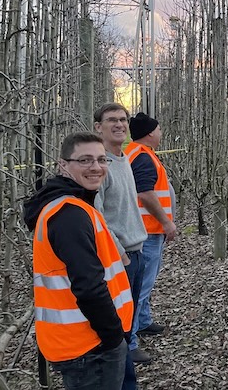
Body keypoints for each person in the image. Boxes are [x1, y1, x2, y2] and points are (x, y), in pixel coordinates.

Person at [23, 132, 133, 390]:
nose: (95, 167)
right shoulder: (69, 215)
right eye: (84, 160)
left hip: (84, 341)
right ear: (63, 165)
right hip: (89, 345)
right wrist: (113, 336)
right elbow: (88, 286)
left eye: (101, 160)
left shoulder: (70, 204)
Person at [93, 103, 151, 371]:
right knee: (116, 326)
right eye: (111, 120)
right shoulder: (98, 165)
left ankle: (126, 367)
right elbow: (97, 215)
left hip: (135, 252)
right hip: (119, 258)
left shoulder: (123, 159)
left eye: (123, 120)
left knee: (127, 322)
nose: (119, 125)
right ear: (98, 127)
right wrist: (121, 254)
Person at [125, 112, 177, 344]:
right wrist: (166, 222)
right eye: (158, 129)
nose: (161, 133)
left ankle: (143, 321)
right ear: (149, 133)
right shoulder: (143, 157)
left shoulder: (137, 154)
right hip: (147, 231)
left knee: (146, 280)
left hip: (147, 229)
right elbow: (145, 193)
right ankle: (131, 339)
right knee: (141, 284)